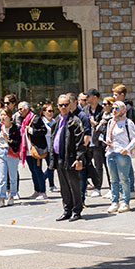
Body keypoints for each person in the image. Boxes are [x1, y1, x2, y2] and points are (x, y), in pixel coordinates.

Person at [51, 94, 86, 222]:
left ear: (70, 105)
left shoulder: (75, 121)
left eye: (66, 105)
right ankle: (67, 210)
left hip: (71, 158)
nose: (64, 107)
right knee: (64, 186)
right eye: (61, 105)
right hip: (59, 157)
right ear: (58, 106)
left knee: (74, 186)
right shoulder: (56, 120)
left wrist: (79, 158)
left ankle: (77, 211)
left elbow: (80, 142)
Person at [105, 101, 135, 214]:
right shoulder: (111, 122)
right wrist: (108, 140)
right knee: (113, 179)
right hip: (111, 152)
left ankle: (125, 201)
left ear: (123, 109)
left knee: (124, 179)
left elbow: (134, 138)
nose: (114, 110)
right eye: (113, 108)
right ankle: (114, 201)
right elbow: (108, 135)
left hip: (122, 153)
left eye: (117, 109)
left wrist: (127, 149)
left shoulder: (128, 123)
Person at [22, 102, 50, 200]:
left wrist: (32, 131)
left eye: (21, 109)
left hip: (36, 149)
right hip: (28, 150)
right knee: (33, 171)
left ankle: (43, 191)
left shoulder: (35, 118)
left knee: (38, 170)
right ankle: (37, 190)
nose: (20, 111)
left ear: (27, 108)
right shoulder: (23, 120)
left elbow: (44, 131)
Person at [84, 88, 105, 197]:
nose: (86, 98)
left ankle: (98, 187)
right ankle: (86, 186)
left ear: (95, 97)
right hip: (87, 142)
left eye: (88, 96)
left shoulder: (102, 110)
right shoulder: (85, 110)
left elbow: (104, 127)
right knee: (87, 165)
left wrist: (94, 123)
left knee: (98, 166)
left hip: (97, 142)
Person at [41, 102, 57, 192]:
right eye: (49, 111)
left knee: (52, 166)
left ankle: (51, 184)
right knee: (50, 166)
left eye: (52, 111)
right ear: (44, 112)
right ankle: (42, 179)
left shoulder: (54, 121)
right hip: (46, 147)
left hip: (54, 147)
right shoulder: (42, 122)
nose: (51, 113)